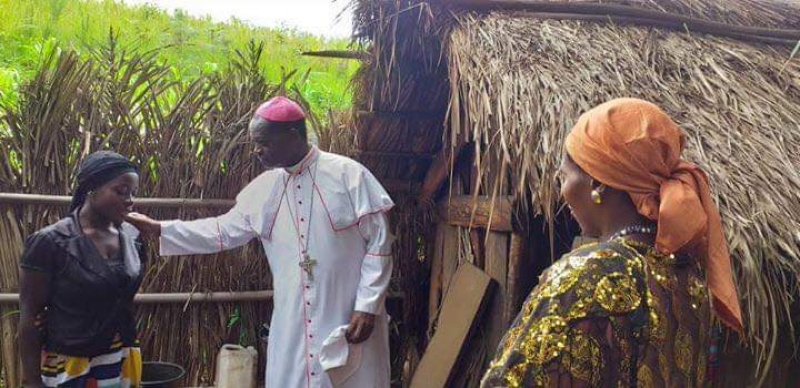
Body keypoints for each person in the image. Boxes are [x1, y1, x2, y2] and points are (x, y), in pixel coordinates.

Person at [125, 96, 394, 387]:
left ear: (292, 135)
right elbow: (221, 231)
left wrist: (368, 305)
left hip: (347, 311)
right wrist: (161, 229)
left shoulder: (348, 175)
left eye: (263, 142)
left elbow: (379, 243)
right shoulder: (265, 188)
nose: (257, 150)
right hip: (293, 319)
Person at [481, 98, 743, 387]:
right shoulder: (690, 281)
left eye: (564, 177)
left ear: (597, 184)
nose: (562, 192)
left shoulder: (586, 277)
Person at [18, 151, 144, 388]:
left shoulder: (133, 237)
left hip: (121, 355)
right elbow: (29, 316)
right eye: (121, 191)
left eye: (133, 193)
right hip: (71, 360)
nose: (130, 200)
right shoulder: (50, 242)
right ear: (91, 189)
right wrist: (31, 382)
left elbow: (121, 296)